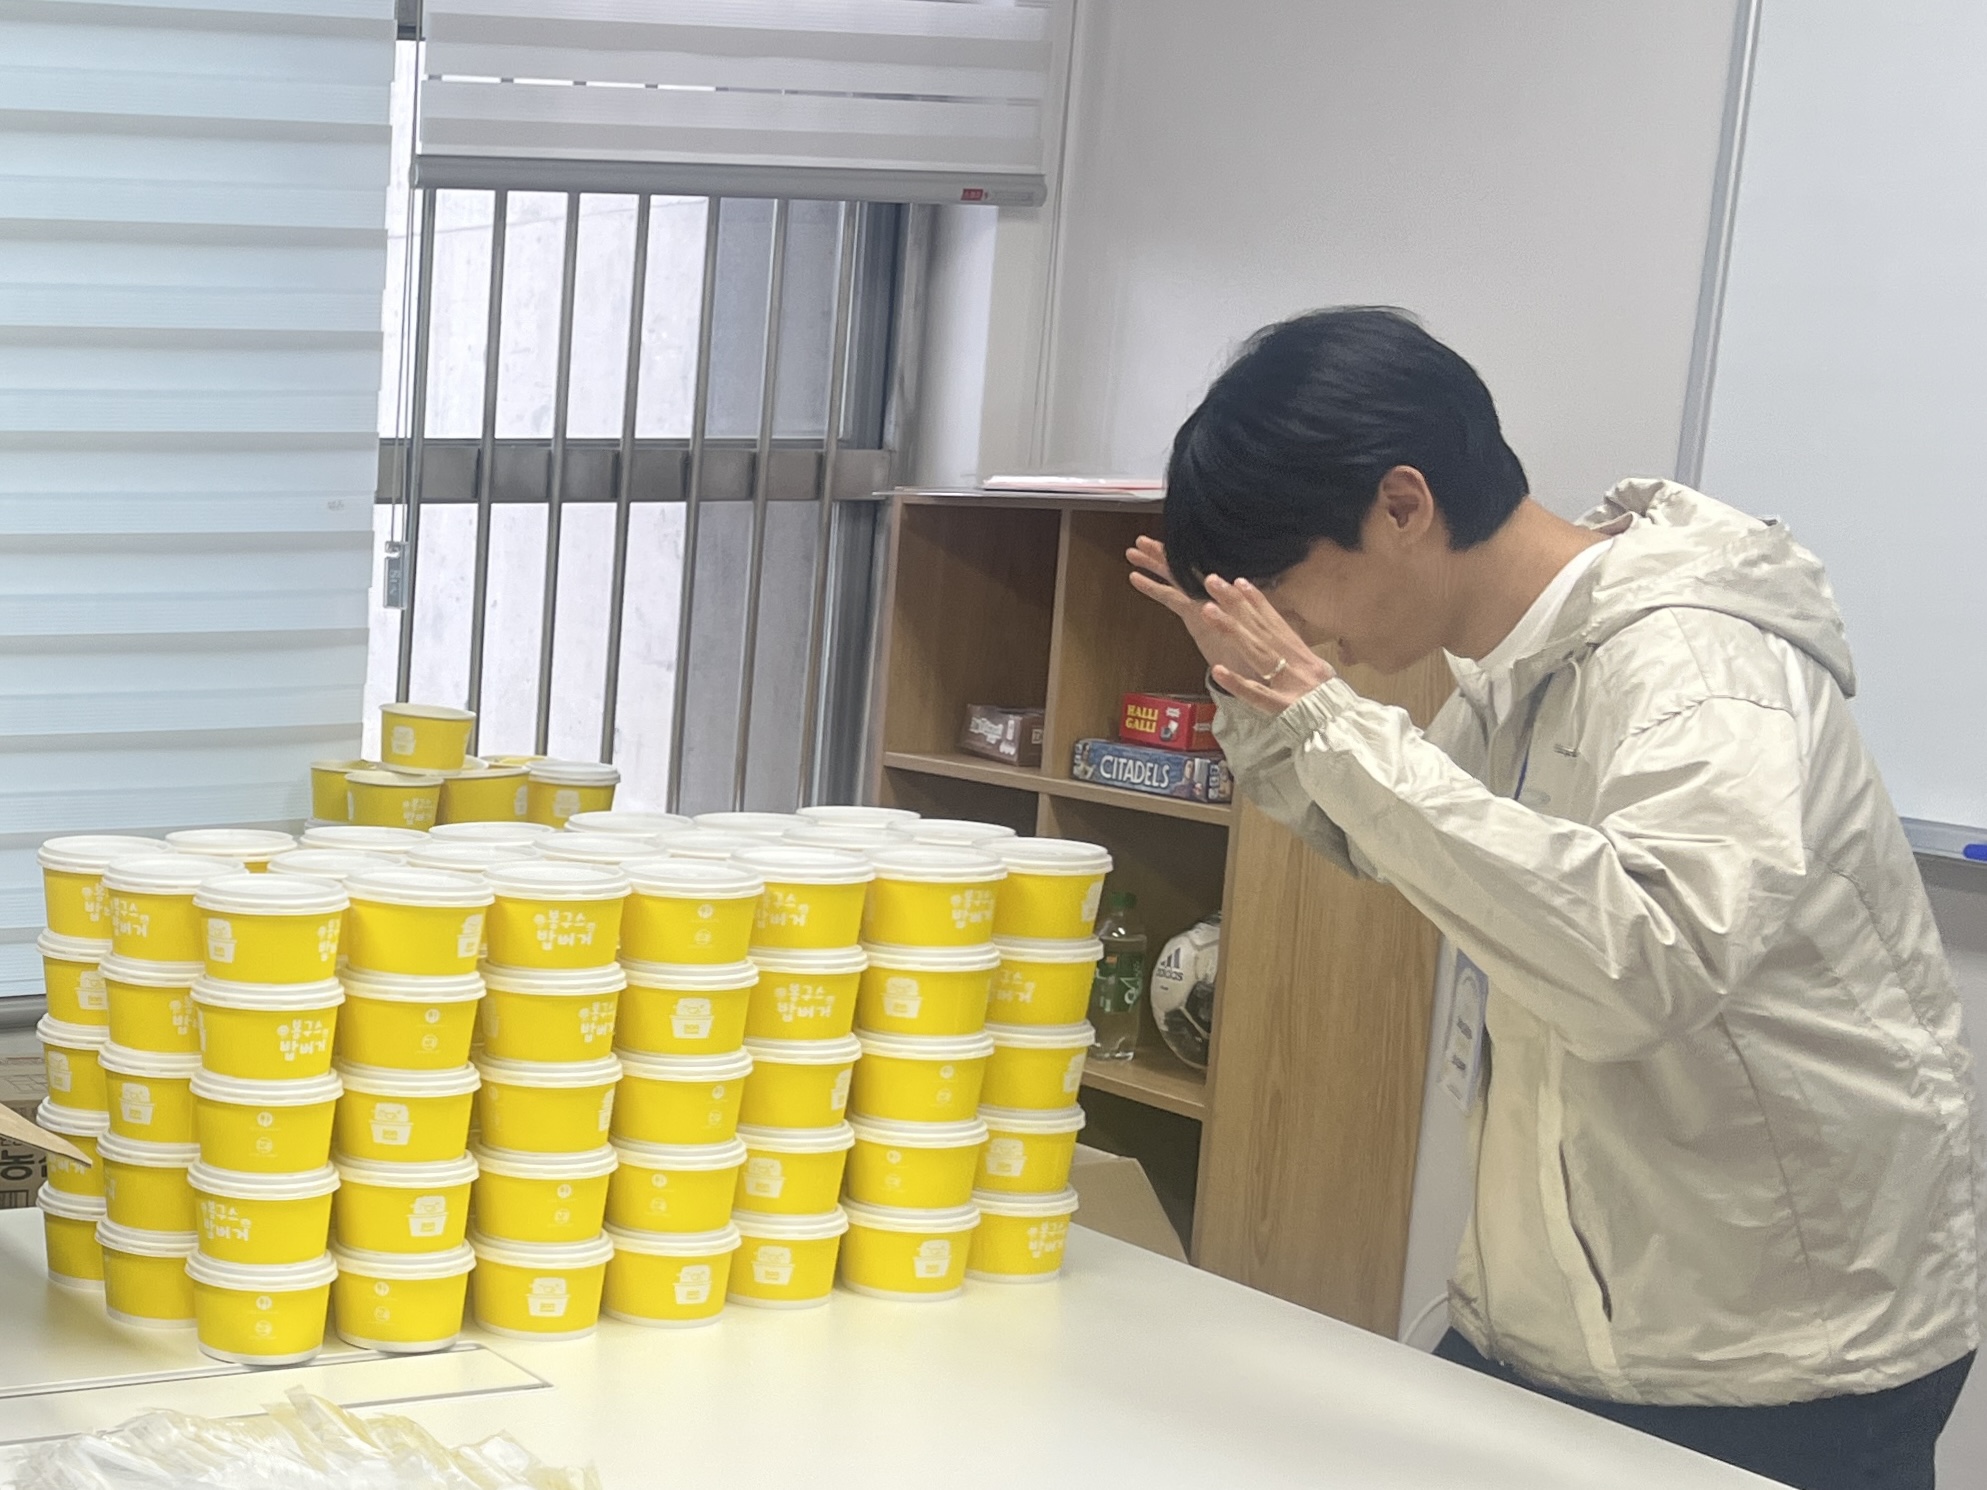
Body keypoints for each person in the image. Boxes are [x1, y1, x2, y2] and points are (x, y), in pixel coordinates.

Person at [1129, 306, 1981, 1490]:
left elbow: (1642, 965)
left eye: (1281, 584)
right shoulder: (1523, 667)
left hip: (1778, 1352)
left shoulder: (1697, 666)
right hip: (1584, 1311)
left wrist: (1325, 715)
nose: (1289, 622)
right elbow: (1390, 838)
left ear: (1402, 505)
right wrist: (1256, 694)